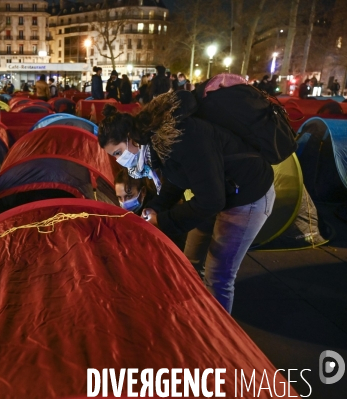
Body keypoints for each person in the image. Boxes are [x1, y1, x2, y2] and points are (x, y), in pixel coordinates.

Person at [97, 91, 275, 313]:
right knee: (190, 261)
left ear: (130, 138)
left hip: (249, 193)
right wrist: (156, 208)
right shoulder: (157, 142)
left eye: (118, 153)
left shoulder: (181, 138)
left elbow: (211, 200)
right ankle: (195, 317)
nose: (118, 160)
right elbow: (176, 179)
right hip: (221, 190)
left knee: (218, 274)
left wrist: (162, 220)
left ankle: (219, 341)